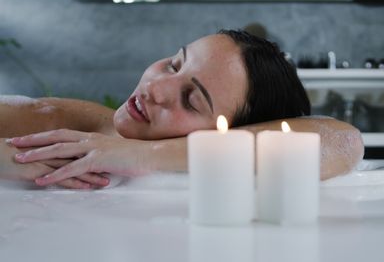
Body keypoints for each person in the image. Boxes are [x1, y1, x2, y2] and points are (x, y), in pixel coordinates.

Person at [0, 29, 364, 189]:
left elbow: (343, 141)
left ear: (236, 133)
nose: (155, 87)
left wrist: (144, 155)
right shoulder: (72, 121)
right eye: (174, 64)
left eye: (191, 100)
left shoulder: (227, 163)